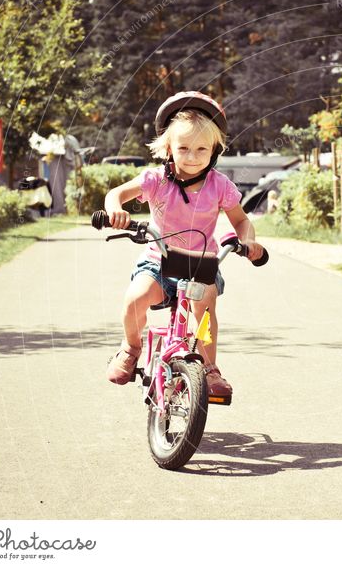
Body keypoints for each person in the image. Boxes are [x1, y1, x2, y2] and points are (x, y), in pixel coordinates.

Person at [103, 91, 264, 404]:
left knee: (204, 308)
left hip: (200, 263)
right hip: (159, 260)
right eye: (184, 148)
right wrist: (115, 210)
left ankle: (209, 366)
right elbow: (117, 194)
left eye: (201, 149)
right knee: (135, 299)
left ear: (214, 149)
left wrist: (248, 241)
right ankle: (130, 348)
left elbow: (242, 221)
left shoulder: (220, 185)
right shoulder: (156, 180)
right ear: (168, 148)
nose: (192, 156)